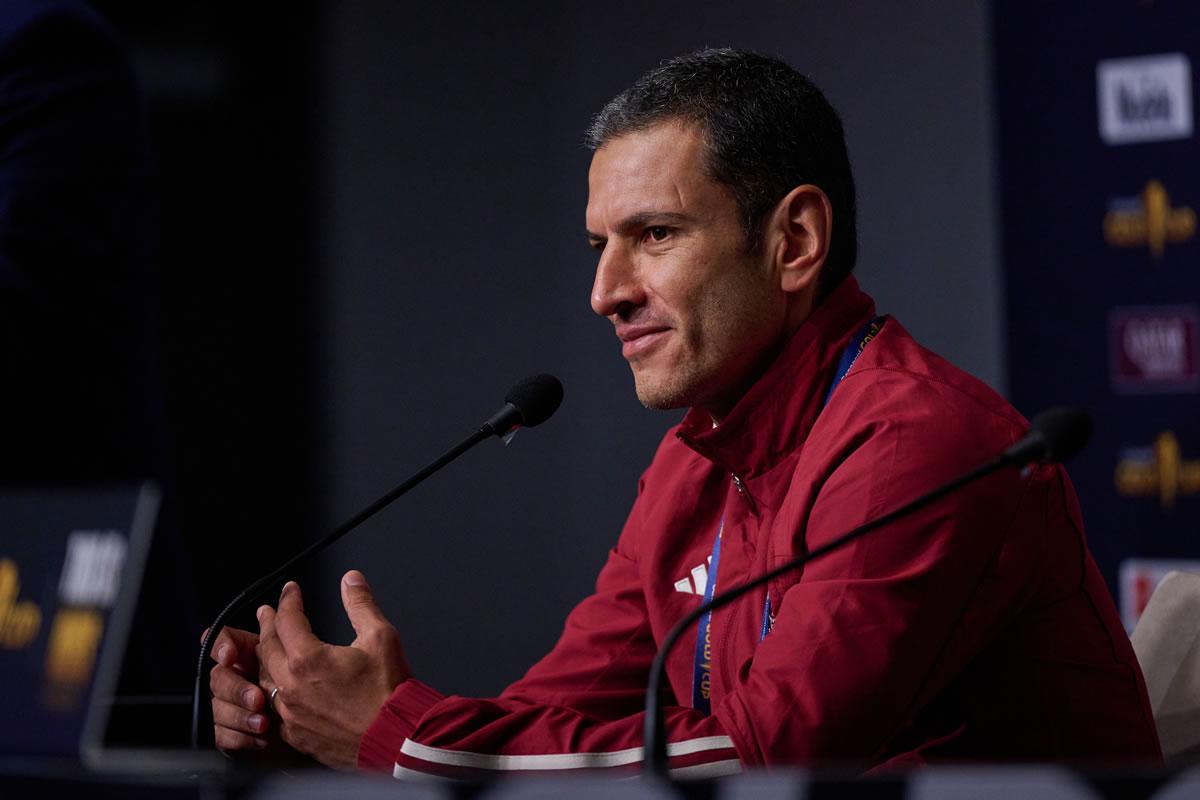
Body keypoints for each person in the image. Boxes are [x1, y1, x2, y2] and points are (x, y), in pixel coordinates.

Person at [206, 48, 1162, 776]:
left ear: (793, 240)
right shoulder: (694, 463)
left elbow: (770, 760)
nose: (604, 291)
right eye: (597, 246)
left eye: (653, 235)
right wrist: (318, 711)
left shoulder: (918, 443)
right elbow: (557, 717)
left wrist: (402, 737)